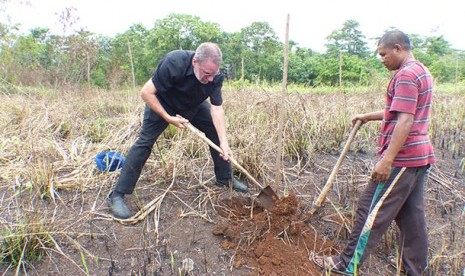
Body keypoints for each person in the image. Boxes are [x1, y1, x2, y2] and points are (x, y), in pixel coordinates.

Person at [313, 30, 435, 275]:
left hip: (402, 159)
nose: (381, 59)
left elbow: (405, 121)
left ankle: (346, 263)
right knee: (412, 219)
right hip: (419, 157)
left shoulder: (406, 76)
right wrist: (369, 117)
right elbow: (399, 109)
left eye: (383, 53)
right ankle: (414, 270)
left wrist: (387, 160)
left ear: (398, 48)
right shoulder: (421, 71)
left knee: (369, 210)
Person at [108, 42, 249, 219]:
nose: (211, 79)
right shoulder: (174, 62)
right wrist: (168, 117)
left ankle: (225, 178)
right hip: (163, 104)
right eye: (207, 74)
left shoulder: (215, 76)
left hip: (194, 105)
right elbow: (146, 92)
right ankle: (117, 195)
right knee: (144, 143)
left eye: (214, 74)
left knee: (214, 131)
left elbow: (217, 109)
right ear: (195, 62)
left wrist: (224, 142)